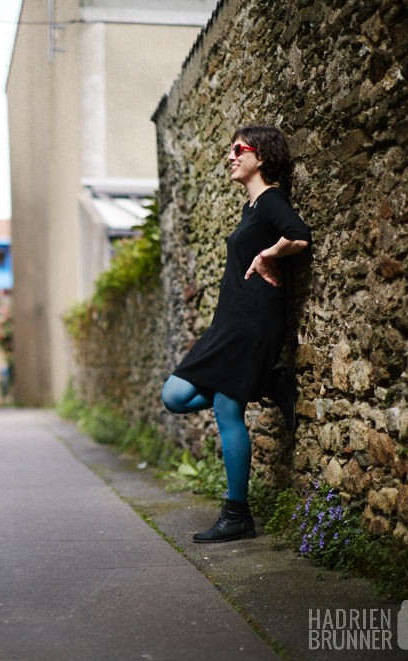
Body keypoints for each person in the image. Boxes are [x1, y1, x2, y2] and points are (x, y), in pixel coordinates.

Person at [161, 126, 311, 544]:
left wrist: (268, 254)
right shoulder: (252, 208)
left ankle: (237, 515)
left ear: (259, 156)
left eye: (237, 150)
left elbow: (299, 234)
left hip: (252, 322)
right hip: (231, 324)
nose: (230, 157)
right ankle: (265, 382)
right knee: (174, 396)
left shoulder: (270, 200)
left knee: (227, 411)